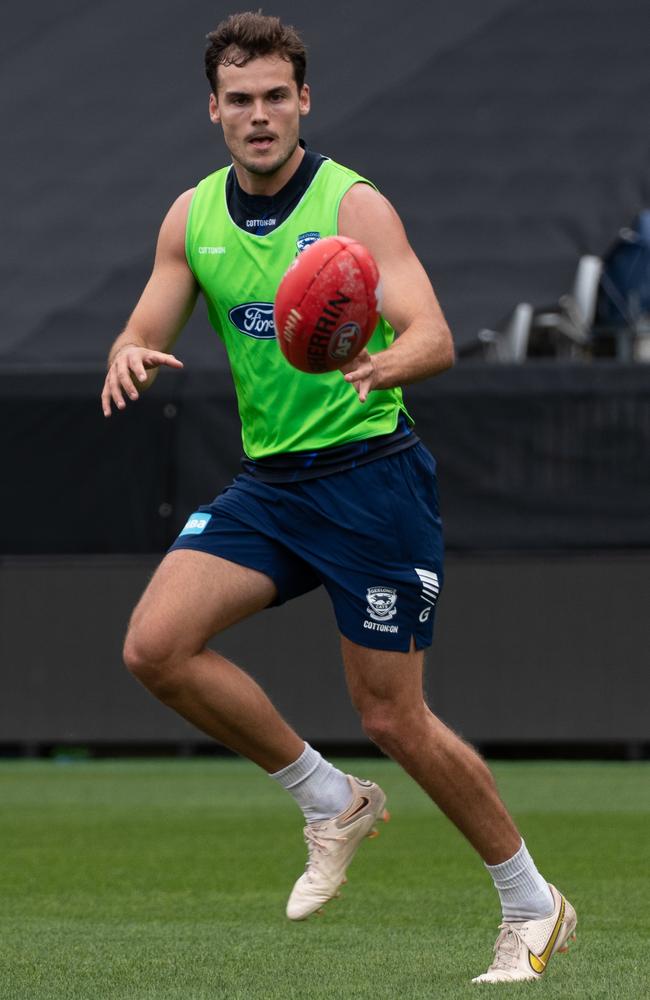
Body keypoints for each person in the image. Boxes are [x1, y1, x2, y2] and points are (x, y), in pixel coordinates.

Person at [101, 12, 576, 984]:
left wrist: (382, 362)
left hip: (368, 477)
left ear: (304, 100)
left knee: (394, 717)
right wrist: (126, 353)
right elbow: (145, 319)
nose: (260, 115)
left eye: (277, 95)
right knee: (154, 645)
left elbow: (434, 336)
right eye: (240, 99)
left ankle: (533, 904)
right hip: (272, 484)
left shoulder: (351, 205)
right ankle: (329, 799)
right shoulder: (190, 216)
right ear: (213, 109)